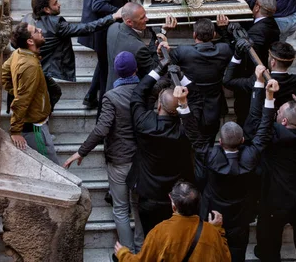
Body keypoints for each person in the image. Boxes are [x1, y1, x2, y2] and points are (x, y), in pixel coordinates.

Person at [176, 67, 279, 262]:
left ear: (220, 142)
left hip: (213, 213)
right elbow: (264, 130)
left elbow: (194, 136)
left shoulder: (211, 156)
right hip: (240, 216)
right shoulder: (250, 156)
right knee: (237, 253)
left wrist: (183, 104)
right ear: (242, 142)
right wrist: (269, 97)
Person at [63, 51, 144, 254]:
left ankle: (128, 253)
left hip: (120, 161)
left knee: (120, 208)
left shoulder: (111, 97)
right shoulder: (144, 91)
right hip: (141, 160)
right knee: (138, 206)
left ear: (117, 73)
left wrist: (82, 152)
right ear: (135, 69)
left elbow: (102, 129)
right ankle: (143, 249)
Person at [127, 53, 195, 236]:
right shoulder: (185, 131)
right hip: (175, 196)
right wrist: (182, 77)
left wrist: (158, 70)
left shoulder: (144, 124)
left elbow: (138, 94)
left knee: (151, 237)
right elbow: (198, 101)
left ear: (158, 106)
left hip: (148, 195)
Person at [255, 84, 296, 262]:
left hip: (275, 201)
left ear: (283, 122)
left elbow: (264, 123)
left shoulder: (274, 139)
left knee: (271, 243)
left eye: (279, 112)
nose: (276, 113)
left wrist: (269, 99)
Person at [114, 181, 231, 262]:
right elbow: (225, 258)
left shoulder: (160, 232)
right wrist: (218, 230)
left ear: (173, 205)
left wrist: (123, 254)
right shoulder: (212, 233)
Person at [22, 0, 122, 82]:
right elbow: (86, 28)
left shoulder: (27, 19)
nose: (59, 4)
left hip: (35, 70)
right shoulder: (56, 24)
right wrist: (112, 17)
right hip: (53, 73)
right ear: (47, 9)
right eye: (55, 3)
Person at [1, 22, 59, 164]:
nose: (40, 30)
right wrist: (15, 131)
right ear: (30, 41)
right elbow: (22, 100)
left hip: (36, 124)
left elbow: (3, 73)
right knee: (52, 169)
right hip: (35, 129)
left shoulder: (18, 53)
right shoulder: (30, 66)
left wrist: (15, 90)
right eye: (35, 31)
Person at [218, 0, 280, 125]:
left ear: (257, 7)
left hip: (249, 76)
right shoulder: (271, 24)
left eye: (255, 3)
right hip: (257, 73)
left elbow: (238, 51)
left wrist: (224, 31)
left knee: (243, 111)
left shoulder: (258, 31)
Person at [170, 17, 232, 144]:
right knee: (209, 141)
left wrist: (164, 32)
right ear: (214, 34)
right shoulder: (224, 50)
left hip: (191, 106)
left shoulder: (183, 52)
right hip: (214, 107)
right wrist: (224, 30)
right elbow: (229, 45)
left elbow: (167, 62)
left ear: (194, 35)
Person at [79, 0, 124, 109]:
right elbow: (98, 4)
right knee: (106, 69)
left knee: (103, 62)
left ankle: (90, 96)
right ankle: (104, 107)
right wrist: (119, 12)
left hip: (94, 26)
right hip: (101, 29)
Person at [225, 41, 296, 127]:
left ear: (273, 62)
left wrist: (236, 56)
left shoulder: (258, 80)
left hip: (260, 127)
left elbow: (228, 82)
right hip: (286, 129)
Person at [106, 3, 177, 87]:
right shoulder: (138, 48)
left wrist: (162, 32)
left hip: (111, 88)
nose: (147, 19)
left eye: (145, 15)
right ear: (129, 22)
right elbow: (155, 70)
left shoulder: (112, 28)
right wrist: (160, 54)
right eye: (142, 18)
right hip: (128, 93)